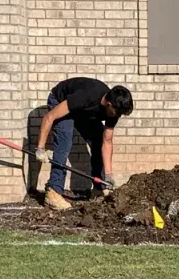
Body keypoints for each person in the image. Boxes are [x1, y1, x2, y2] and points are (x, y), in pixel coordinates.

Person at [32, 77, 134, 210]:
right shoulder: (87, 96)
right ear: (109, 104)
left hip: (82, 111)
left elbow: (107, 141)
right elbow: (49, 117)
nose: (118, 116)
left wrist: (108, 175)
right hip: (60, 100)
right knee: (64, 142)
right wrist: (40, 147)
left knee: (98, 141)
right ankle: (53, 192)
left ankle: (98, 189)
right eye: (118, 113)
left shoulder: (113, 111)